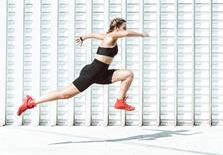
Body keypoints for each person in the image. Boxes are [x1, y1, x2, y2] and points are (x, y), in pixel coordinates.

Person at [17, 17, 149, 116]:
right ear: (117, 28)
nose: (125, 30)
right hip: (92, 72)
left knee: (128, 75)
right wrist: (141, 35)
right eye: (124, 27)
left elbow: (92, 34)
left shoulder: (106, 36)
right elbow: (125, 34)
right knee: (65, 94)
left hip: (102, 72)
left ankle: (120, 101)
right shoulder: (111, 36)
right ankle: (31, 102)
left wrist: (82, 38)